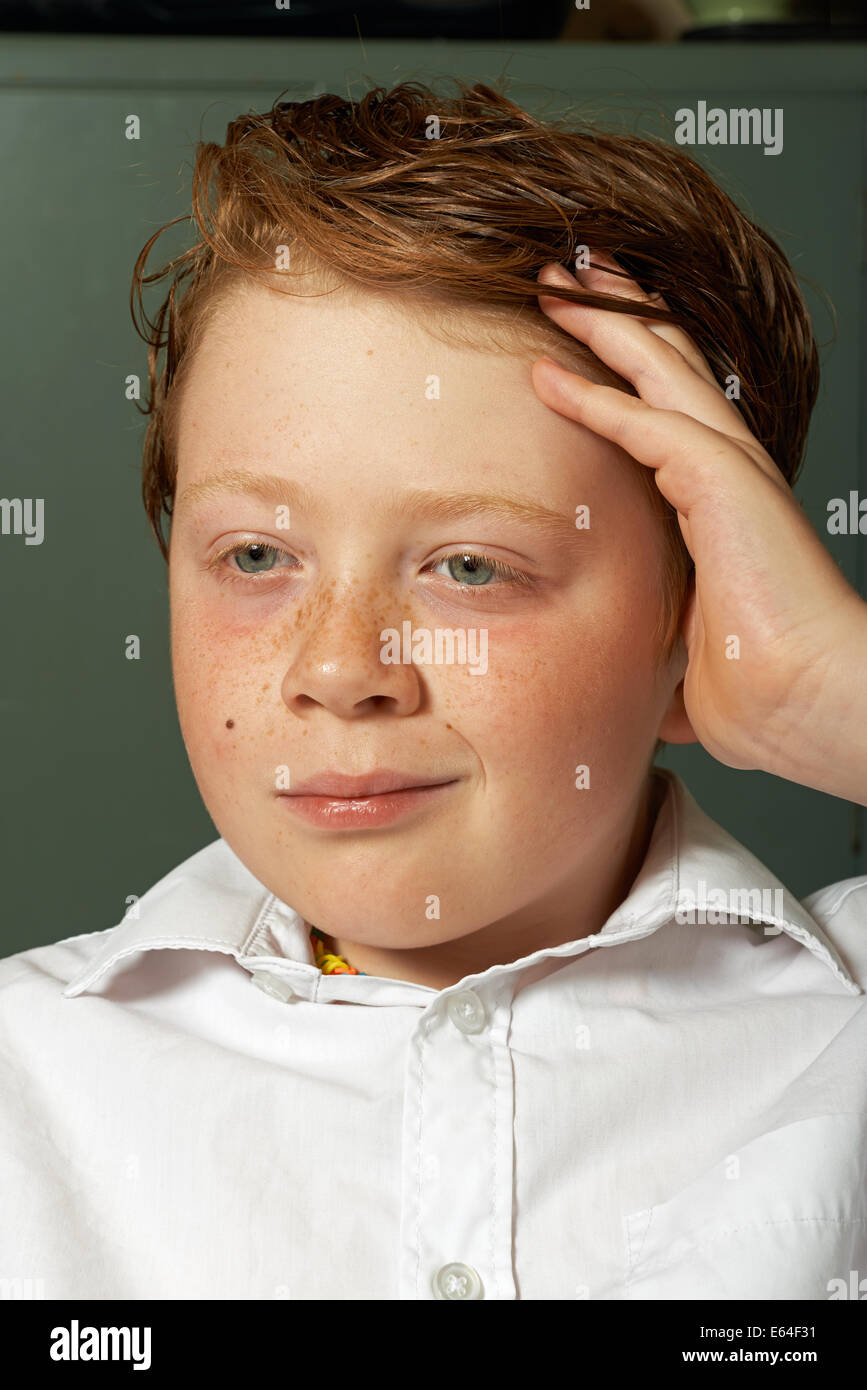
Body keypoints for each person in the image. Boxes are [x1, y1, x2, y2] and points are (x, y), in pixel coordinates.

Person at [1, 80, 865, 1301]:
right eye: (257, 556)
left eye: (469, 566)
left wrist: (833, 691)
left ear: (696, 612)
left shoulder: (845, 1032)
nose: (341, 669)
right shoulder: (23, 1086)